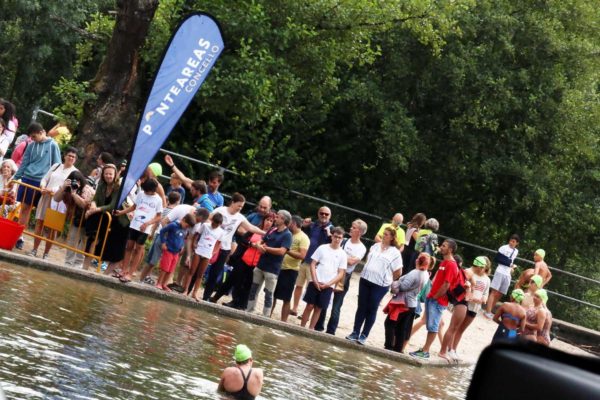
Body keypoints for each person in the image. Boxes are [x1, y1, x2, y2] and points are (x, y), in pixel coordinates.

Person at [203, 193, 265, 301]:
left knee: (215, 273)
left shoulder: (240, 217)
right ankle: (190, 290)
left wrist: (265, 233)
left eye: (242, 207)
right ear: (232, 203)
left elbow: (250, 227)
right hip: (211, 245)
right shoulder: (220, 210)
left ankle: (206, 297)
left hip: (225, 248)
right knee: (201, 269)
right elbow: (208, 219)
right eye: (239, 205)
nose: (240, 208)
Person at [347, 227, 403, 345]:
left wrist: (387, 279)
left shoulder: (395, 253)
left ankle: (364, 334)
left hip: (380, 284)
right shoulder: (375, 246)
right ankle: (355, 331)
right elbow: (368, 259)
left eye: (386, 235)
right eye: (383, 234)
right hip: (365, 279)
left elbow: (398, 272)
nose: (383, 236)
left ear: (392, 237)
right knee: (361, 306)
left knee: (372, 308)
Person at [13, 123, 62, 250]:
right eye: (31, 137)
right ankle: (19, 237)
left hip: (42, 182)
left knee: (40, 215)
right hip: (28, 178)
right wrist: (15, 177)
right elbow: (24, 163)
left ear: (42, 132)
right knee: (24, 209)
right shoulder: (31, 145)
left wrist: (53, 183)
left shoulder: (53, 145)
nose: (32, 139)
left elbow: (57, 165)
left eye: (34, 136)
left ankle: (37, 246)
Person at [315, 219, 368, 334]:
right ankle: (319, 326)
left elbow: (351, 262)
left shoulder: (362, 248)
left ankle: (331, 331)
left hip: (345, 276)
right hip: (333, 272)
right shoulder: (344, 240)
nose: (350, 229)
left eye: (353, 228)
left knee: (336, 306)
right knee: (325, 300)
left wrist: (340, 255)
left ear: (359, 232)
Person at [410, 239, 458, 359]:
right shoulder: (444, 262)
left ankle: (425, 351)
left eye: (444, 246)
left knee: (433, 326)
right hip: (432, 298)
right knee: (431, 324)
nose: (441, 247)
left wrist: (435, 297)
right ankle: (425, 349)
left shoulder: (451, 265)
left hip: (438, 301)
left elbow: (447, 284)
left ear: (450, 250)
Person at [218, 213, 276, 310]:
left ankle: (243, 305)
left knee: (249, 285)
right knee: (237, 281)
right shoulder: (255, 230)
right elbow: (243, 240)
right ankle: (233, 301)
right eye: (267, 220)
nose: (268, 223)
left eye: (271, 221)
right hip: (245, 259)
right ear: (263, 220)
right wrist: (252, 244)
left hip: (257, 263)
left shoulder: (272, 235)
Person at [28, 147, 79, 258]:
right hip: (45, 196)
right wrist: (43, 186)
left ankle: (46, 253)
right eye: (69, 155)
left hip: (59, 201)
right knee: (40, 223)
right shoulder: (56, 166)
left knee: (53, 227)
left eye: (73, 157)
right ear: (65, 156)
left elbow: (68, 187)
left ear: (75, 159)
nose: (71, 158)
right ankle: (34, 249)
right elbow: (45, 178)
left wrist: (52, 190)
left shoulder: (75, 172)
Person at [114, 178, 164, 283]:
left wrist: (148, 223)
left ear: (153, 190)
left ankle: (130, 274)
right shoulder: (141, 194)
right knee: (129, 247)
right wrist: (121, 212)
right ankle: (123, 270)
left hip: (145, 228)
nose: (146, 192)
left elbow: (159, 216)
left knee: (138, 249)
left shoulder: (158, 200)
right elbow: (134, 207)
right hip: (134, 224)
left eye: (148, 191)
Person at [246, 210, 293, 317]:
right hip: (261, 265)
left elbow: (282, 251)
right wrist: (258, 245)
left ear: (284, 220)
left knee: (268, 294)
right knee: (253, 289)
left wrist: (265, 248)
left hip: (272, 269)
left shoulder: (288, 235)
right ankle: (249, 311)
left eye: (278, 217)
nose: (275, 219)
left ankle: (265, 316)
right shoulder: (272, 230)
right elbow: (260, 241)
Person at [84, 164, 129, 273]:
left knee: (116, 251)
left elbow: (112, 205)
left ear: (115, 175)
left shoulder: (118, 187)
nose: (108, 176)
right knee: (93, 239)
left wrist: (95, 209)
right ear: (103, 175)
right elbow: (95, 199)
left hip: (119, 222)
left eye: (110, 174)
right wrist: (93, 205)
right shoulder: (102, 185)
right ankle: (85, 268)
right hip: (105, 218)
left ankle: (105, 274)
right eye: (106, 174)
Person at [300, 227, 347, 329]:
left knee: (318, 308)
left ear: (342, 239)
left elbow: (341, 273)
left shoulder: (343, 254)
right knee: (309, 306)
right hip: (316, 280)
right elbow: (313, 264)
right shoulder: (322, 248)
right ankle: (301, 327)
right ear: (332, 236)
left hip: (328, 284)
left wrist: (329, 284)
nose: (337, 239)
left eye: (340, 237)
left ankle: (311, 329)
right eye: (335, 237)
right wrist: (315, 279)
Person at [291, 206, 333, 316]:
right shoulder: (312, 225)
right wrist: (304, 225)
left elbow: (333, 246)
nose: (324, 215)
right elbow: (303, 235)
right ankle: (295, 308)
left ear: (330, 216)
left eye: (326, 214)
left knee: (311, 288)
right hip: (305, 260)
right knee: (299, 285)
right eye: (321, 213)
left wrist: (329, 235)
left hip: (317, 264)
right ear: (318, 213)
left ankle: (305, 313)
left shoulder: (332, 229)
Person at [383, 252, 430, 353]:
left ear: (418, 260)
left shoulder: (414, 273)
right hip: (412, 304)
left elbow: (404, 287)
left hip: (402, 303)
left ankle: (388, 347)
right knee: (401, 328)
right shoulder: (426, 274)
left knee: (389, 323)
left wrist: (397, 282)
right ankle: (398, 349)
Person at [450, 256, 491, 359]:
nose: (481, 269)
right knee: (455, 327)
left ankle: (454, 349)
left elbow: (486, 294)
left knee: (461, 329)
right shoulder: (469, 273)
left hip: (475, 307)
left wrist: (483, 299)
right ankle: (449, 348)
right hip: (465, 303)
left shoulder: (487, 279)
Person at [270, 215, 309, 321]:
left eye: (289, 222)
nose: (287, 223)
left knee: (286, 298)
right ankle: (267, 317)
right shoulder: (287, 234)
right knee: (273, 294)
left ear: (294, 224)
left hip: (291, 270)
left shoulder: (303, 237)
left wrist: (286, 250)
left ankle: (283, 322)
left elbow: (302, 256)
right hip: (278, 267)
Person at [53, 171, 95, 268]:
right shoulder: (66, 188)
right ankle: (68, 262)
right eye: (73, 181)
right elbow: (56, 198)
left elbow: (84, 204)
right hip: (76, 218)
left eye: (78, 181)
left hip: (88, 218)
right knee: (72, 238)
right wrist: (63, 187)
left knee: (83, 240)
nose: (76, 183)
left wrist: (74, 194)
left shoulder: (86, 189)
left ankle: (78, 263)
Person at [138, 191, 181, 284]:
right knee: (154, 260)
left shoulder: (164, 209)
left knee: (151, 259)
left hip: (157, 234)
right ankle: (145, 279)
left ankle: (142, 278)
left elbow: (157, 222)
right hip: (164, 238)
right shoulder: (175, 212)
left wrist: (152, 233)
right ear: (178, 201)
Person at [186, 213, 224, 300]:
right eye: (214, 223)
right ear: (212, 221)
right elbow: (197, 234)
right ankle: (186, 290)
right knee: (192, 271)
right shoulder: (205, 226)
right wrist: (194, 243)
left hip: (208, 253)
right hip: (199, 250)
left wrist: (214, 252)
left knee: (200, 274)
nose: (214, 226)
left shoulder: (221, 232)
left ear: (220, 224)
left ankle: (195, 293)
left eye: (217, 225)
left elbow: (218, 243)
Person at [155, 213, 195, 291]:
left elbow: (183, 238)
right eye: (187, 225)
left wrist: (182, 246)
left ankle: (164, 284)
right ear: (183, 220)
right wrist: (163, 243)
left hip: (176, 252)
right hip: (169, 250)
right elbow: (162, 231)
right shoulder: (173, 225)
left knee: (171, 269)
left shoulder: (185, 230)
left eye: (188, 227)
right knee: (165, 268)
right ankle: (159, 283)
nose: (187, 228)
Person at [484, 234, 520, 319]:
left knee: (501, 293)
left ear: (517, 243)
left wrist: (511, 267)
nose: (511, 242)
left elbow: (510, 261)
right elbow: (498, 258)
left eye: (513, 241)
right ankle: (487, 311)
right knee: (494, 292)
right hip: (500, 271)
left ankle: (490, 310)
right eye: (511, 240)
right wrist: (510, 263)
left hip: (508, 273)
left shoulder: (516, 251)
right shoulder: (503, 248)